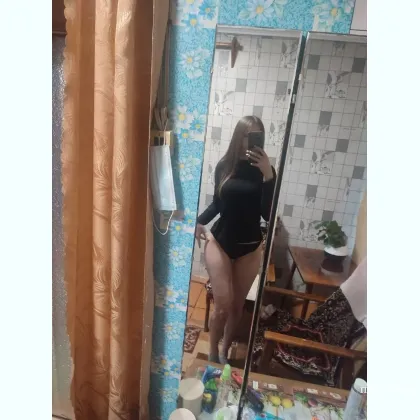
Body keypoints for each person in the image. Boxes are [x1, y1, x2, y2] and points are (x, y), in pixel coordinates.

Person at [195, 115, 276, 364]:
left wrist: (268, 176)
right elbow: (217, 204)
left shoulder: (266, 171)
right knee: (222, 304)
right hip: (220, 242)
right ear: (238, 136)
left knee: (237, 306)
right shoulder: (225, 166)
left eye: (256, 136)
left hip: (250, 248)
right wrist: (198, 221)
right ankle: (212, 352)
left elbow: (267, 214)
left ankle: (224, 350)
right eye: (246, 135)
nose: (250, 141)